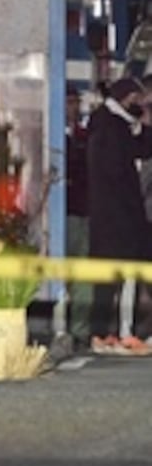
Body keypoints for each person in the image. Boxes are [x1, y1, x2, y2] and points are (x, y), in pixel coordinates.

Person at [86, 74, 152, 354]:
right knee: (121, 277)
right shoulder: (111, 127)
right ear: (127, 98)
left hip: (113, 217)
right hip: (119, 217)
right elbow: (130, 158)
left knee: (111, 278)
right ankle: (115, 333)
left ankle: (106, 333)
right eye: (138, 100)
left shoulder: (109, 123)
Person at [64, 84, 91, 349]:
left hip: (83, 209)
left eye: (75, 102)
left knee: (83, 269)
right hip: (60, 210)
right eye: (68, 102)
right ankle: (59, 325)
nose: (72, 107)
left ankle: (79, 328)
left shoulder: (86, 135)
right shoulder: (51, 136)